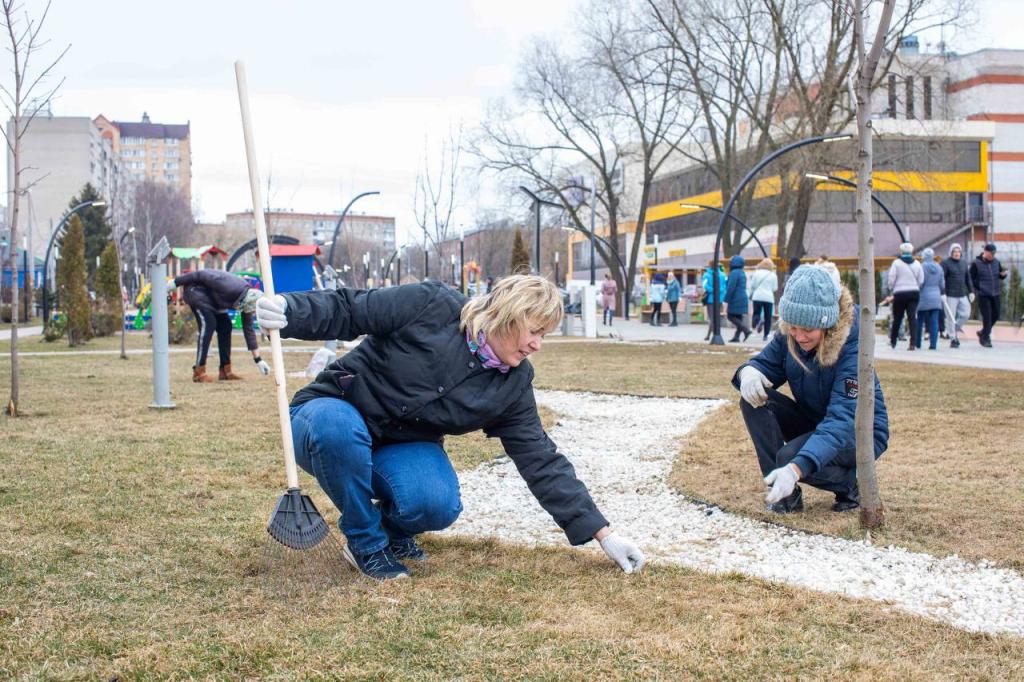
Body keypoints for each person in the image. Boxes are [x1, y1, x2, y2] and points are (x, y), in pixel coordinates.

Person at [255, 275, 646, 581]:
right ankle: (366, 543)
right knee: (337, 430)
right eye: (534, 331)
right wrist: (291, 310)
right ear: (506, 315)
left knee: (435, 505)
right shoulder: (429, 305)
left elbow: (541, 459)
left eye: (544, 335)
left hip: (401, 444)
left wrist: (604, 534)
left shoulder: (512, 384)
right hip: (328, 415)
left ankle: (390, 530)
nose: (537, 345)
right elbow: (350, 308)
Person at [734, 265, 889, 513]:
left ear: (827, 323)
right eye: (793, 328)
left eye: (807, 329)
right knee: (753, 400)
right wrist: (748, 373)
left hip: (858, 432)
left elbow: (841, 421)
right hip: (816, 419)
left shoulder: (854, 350)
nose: (799, 336)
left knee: (789, 458)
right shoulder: (791, 334)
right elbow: (764, 364)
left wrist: (795, 468)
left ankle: (851, 485)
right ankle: (785, 495)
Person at [168, 269, 270, 382]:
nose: (251, 313)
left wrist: (258, 360)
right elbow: (200, 274)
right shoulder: (230, 286)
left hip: (214, 300)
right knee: (209, 324)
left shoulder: (248, 301)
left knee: (226, 326)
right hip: (196, 291)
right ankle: (199, 371)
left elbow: (249, 330)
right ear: (247, 303)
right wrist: (176, 282)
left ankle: (225, 371)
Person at [969, 243, 1008, 348]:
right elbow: (971, 278)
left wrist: (1003, 275)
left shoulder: (996, 262)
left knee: (996, 315)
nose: (993, 255)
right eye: (991, 253)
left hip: (995, 293)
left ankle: (983, 332)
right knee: (987, 317)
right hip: (983, 294)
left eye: (994, 253)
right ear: (985, 252)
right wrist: (976, 289)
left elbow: (999, 274)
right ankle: (985, 338)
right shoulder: (976, 263)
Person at [886, 242, 923, 350]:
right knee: (912, 317)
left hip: (900, 293)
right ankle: (913, 343)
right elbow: (921, 280)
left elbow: (891, 279)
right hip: (914, 292)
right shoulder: (917, 263)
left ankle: (893, 341)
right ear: (911, 251)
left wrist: (891, 288)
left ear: (901, 251)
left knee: (898, 317)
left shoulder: (896, 263)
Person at [940, 243, 973, 348]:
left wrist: (971, 291)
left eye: (958, 252)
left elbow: (968, 278)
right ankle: (953, 338)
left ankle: (953, 329)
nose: (957, 254)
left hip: (962, 294)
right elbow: (941, 279)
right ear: (951, 253)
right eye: (954, 252)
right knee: (950, 317)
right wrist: (943, 292)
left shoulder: (964, 263)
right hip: (950, 295)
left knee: (965, 314)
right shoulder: (945, 263)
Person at [914, 248, 945, 350]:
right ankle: (933, 345)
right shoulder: (939, 267)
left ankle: (917, 343)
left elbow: (920, 282)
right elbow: (942, 284)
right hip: (936, 296)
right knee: (934, 321)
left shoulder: (921, 266)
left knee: (920, 320)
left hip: (923, 296)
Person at [747, 258, 778, 341]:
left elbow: (753, 285)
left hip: (757, 296)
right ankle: (766, 335)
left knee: (756, 313)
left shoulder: (757, 273)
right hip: (769, 298)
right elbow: (775, 288)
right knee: (768, 316)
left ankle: (758, 321)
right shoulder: (773, 275)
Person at [725, 255, 751, 342]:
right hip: (742, 297)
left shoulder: (734, 273)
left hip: (735, 298)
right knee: (738, 317)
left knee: (730, 316)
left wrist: (726, 299)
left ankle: (746, 330)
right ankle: (736, 337)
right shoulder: (742, 272)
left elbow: (731, 287)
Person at [701, 263, 727, 341]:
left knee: (711, 317)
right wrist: (719, 290)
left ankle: (710, 334)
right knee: (716, 317)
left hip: (711, 299)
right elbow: (725, 285)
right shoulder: (723, 275)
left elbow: (705, 286)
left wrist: (713, 290)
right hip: (720, 298)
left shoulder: (706, 275)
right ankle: (716, 333)